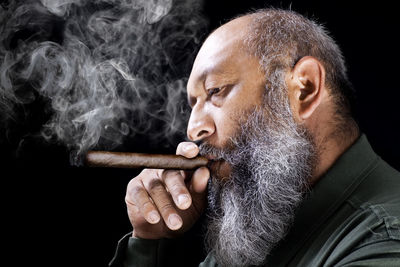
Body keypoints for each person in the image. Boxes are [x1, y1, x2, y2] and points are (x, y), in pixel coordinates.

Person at [109, 8, 400, 266]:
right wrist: (150, 241)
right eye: (192, 104)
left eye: (215, 91)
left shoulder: (385, 242)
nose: (193, 129)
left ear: (304, 89)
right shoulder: (264, 226)